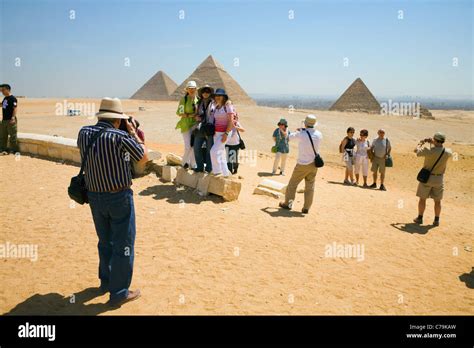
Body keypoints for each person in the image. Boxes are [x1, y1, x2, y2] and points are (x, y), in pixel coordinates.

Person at [77, 97, 149, 306]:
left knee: (105, 241)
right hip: (118, 197)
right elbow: (143, 158)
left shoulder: (84, 133)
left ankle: (106, 282)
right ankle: (119, 293)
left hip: (94, 196)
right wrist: (133, 133)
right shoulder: (120, 137)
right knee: (123, 245)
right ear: (118, 120)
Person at [279, 115, 322, 214]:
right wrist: (302, 130)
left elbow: (287, 137)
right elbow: (310, 134)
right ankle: (306, 208)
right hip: (313, 164)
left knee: (292, 185)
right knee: (310, 187)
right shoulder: (319, 134)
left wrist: (283, 129)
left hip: (302, 164)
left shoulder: (301, 134)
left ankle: (287, 204)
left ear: (305, 123)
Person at [413, 132, 452, 226]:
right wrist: (434, 143)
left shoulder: (428, 151)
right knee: (437, 201)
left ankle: (420, 218)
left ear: (435, 140)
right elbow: (442, 151)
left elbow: (416, 151)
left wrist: (421, 143)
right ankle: (436, 220)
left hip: (427, 178)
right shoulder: (447, 152)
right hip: (439, 179)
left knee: (422, 199)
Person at [209, 89, 235, 177]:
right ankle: (225, 174)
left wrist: (226, 134)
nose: (218, 97)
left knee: (213, 151)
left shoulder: (228, 105)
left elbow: (231, 122)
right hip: (216, 133)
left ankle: (217, 172)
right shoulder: (216, 107)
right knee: (220, 153)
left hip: (225, 133)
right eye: (216, 96)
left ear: (224, 97)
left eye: (220, 96)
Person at [175, 81, 199, 169]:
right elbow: (180, 113)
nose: (192, 90)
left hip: (195, 125)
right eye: (190, 88)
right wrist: (191, 115)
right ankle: (184, 163)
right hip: (185, 124)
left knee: (193, 146)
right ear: (187, 90)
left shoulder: (198, 100)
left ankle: (193, 164)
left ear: (196, 89)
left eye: (193, 88)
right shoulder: (183, 100)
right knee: (188, 146)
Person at [193, 84, 214, 173]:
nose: (205, 93)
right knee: (196, 148)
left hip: (209, 129)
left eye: (208, 91)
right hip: (200, 128)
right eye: (204, 91)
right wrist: (196, 117)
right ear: (201, 93)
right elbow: (195, 114)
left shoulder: (214, 103)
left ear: (210, 93)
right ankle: (200, 167)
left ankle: (209, 168)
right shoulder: (199, 103)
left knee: (209, 150)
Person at [0, 84, 19, 155]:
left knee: (13, 136)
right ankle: (3, 150)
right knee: (3, 136)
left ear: (8, 89)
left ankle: (15, 151)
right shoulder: (5, 98)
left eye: (3, 90)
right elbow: (2, 105)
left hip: (11, 120)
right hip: (4, 120)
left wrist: (13, 117)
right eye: (1, 90)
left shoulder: (13, 98)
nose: (2, 92)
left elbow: (15, 108)